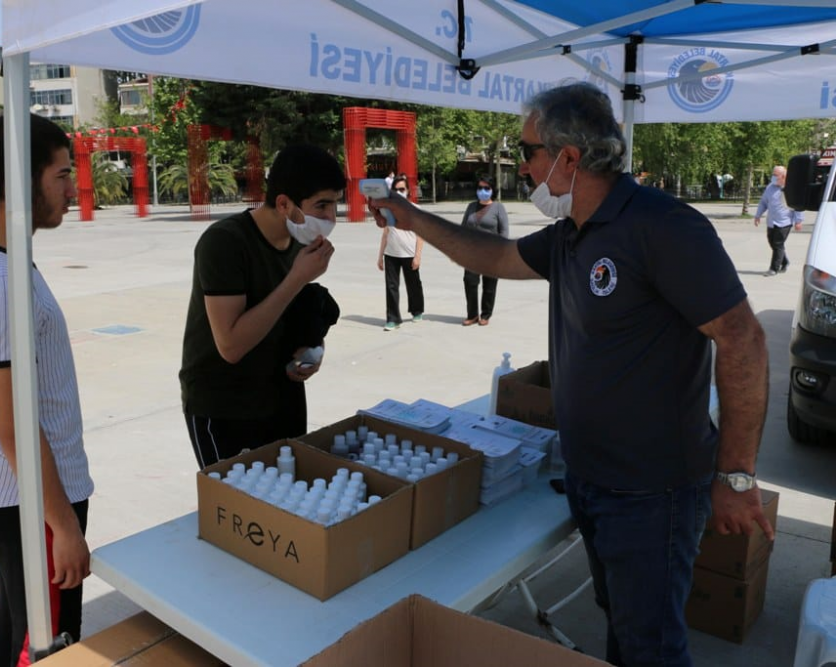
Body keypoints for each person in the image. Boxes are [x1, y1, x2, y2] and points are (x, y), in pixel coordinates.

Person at [367, 82, 772, 667]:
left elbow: (745, 341)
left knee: (652, 647)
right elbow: (495, 258)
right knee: (625, 627)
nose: (523, 164)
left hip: (651, 492)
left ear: (569, 158)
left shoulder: (662, 226)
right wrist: (410, 217)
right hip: (592, 480)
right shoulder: (571, 234)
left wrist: (736, 476)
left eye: (528, 150)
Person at [0, 113, 92, 667]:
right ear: (20, 180)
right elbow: (14, 424)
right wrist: (62, 525)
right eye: (61, 174)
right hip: (30, 498)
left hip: (25, 492)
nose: (72, 188)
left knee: (20, 631)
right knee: (46, 645)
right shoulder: (0, 281)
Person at [180, 144, 344, 468]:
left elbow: (295, 314)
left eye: (335, 204)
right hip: (225, 405)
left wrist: (313, 350)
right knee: (237, 507)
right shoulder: (225, 242)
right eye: (321, 205)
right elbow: (230, 345)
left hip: (281, 397)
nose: (330, 218)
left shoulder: (301, 243)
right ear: (284, 203)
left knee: (286, 501)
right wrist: (297, 278)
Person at [377, 175, 424, 331]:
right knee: (391, 287)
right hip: (391, 254)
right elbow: (385, 233)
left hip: (409, 254)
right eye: (396, 190)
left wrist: (417, 256)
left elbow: (420, 235)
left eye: (402, 189)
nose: (399, 192)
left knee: (413, 285)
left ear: (408, 191)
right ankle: (392, 319)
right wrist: (380, 256)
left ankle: (417, 310)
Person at [460, 176, 508, 326]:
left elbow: (504, 231)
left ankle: (485, 315)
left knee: (489, 286)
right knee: (470, 282)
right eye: (480, 188)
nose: (483, 191)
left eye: (486, 188)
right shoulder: (471, 206)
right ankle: (472, 315)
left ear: (492, 190)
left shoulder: (498, 208)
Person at [755, 165, 803, 276]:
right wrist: (758, 215)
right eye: (773, 174)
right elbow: (763, 202)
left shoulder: (791, 189)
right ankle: (785, 261)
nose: (773, 177)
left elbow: (798, 206)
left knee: (777, 243)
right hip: (772, 221)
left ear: (783, 176)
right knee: (773, 243)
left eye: (775, 175)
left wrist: (798, 221)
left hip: (785, 222)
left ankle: (773, 269)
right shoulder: (770, 188)